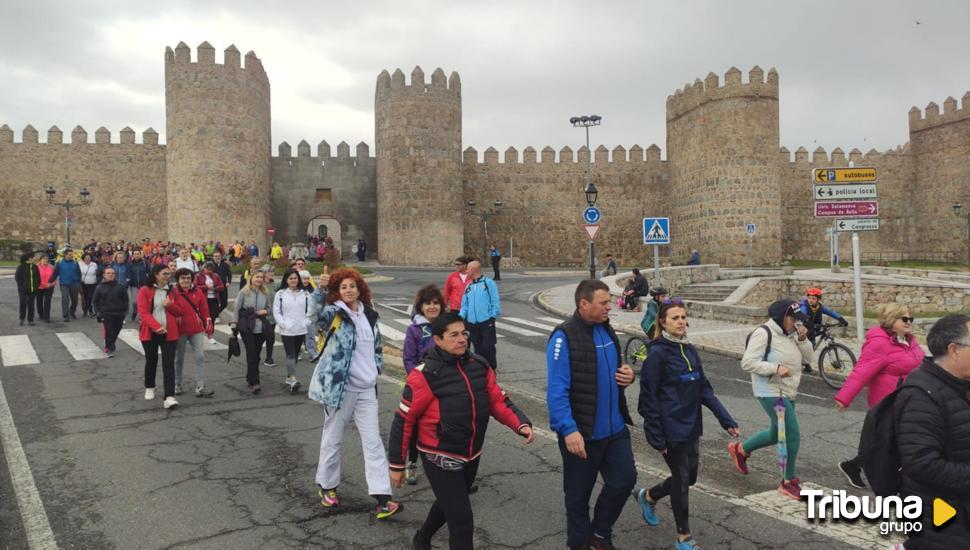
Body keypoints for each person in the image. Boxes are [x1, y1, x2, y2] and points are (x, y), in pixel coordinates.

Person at [389, 312, 534, 550]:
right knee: (462, 522)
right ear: (437, 340)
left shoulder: (479, 365)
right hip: (439, 455)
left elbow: (497, 401)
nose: (462, 339)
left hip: (471, 453)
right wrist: (396, 464)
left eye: (463, 333)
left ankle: (422, 538)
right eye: (453, 335)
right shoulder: (423, 375)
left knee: (450, 504)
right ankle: (423, 539)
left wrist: (520, 423)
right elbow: (404, 420)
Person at [635, 299, 739, 550]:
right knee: (682, 480)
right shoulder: (657, 354)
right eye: (675, 318)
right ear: (662, 322)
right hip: (670, 429)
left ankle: (649, 495)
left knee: (689, 478)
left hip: (692, 426)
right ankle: (684, 538)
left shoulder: (690, 350)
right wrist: (655, 436)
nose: (681, 321)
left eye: (683, 317)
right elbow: (647, 399)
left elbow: (705, 391)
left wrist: (726, 420)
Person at [546, 279, 637, 550]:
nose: (610, 306)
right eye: (603, 303)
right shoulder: (564, 336)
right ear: (583, 304)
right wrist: (568, 429)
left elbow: (610, 371)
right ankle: (579, 544)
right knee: (577, 499)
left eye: (610, 302)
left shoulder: (606, 330)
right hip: (582, 434)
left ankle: (599, 533)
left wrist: (627, 376)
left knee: (624, 481)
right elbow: (557, 390)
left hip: (615, 431)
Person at [308, 268, 402, 520]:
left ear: (360, 288)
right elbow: (314, 317)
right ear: (337, 291)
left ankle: (383, 498)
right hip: (341, 389)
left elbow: (377, 345)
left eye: (353, 286)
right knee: (333, 438)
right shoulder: (334, 312)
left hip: (366, 389)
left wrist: (377, 368)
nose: (349, 290)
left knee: (373, 442)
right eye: (344, 287)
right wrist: (320, 290)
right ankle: (327, 486)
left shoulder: (370, 314)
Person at [894, 314, 970, 549]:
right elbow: (921, 463)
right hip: (940, 520)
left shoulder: (959, 384)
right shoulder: (921, 395)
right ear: (954, 350)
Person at [727, 299, 813, 500]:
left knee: (777, 433)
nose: (798, 324)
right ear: (783, 318)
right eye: (795, 319)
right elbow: (748, 362)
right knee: (791, 433)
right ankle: (787, 481)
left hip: (788, 390)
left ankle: (741, 450)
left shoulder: (792, 335)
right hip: (770, 390)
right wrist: (774, 368)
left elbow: (808, 359)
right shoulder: (763, 333)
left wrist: (803, 339)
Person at [833, 304, 924, 489]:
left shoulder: (910, 341)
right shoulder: (880, 343)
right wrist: (844, 397)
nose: (909, 322)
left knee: (888, 441)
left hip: (908, 400)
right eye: (904, 319)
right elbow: (862, 371)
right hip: (887, 401)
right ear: (892, 320)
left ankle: (854, 466)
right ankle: (892, 479)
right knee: (887, 441)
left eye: (910, 319)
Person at [401, 284, 445, 485]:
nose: (432, 307)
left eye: (436, 303)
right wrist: (420, 382)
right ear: (421, 306)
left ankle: (447, 466)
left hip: (445, 384)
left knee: (445, 426)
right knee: (415, 426)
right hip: (421, 385)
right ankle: (411, 462)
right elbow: (408, 359)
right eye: (428, 303)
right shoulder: (415, 330)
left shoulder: (446, 326)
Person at [137, 265, 181, 409]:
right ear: (156, 275)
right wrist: (156, 327)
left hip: (169, 333)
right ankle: (150, 386)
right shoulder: (145, 290)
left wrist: (170, 306)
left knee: (168, 364)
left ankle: (169, 396)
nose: (168, 276)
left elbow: (179, 311)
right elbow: (143, 313)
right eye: (164, 274)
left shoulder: (173, 291)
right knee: (151, 360)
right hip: (151, 332)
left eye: (169, 274)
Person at [171, 268, 215, 398]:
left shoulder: (198, 291)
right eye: (183, 278)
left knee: (200, 356)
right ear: (178, 280)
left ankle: (200, 386)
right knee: (179, 358)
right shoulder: (172, 292)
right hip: (180, 331)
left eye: (188, 278)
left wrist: (208, 326)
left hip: (196, 329)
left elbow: (204, 310)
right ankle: (177, 385)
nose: (186, 280)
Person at [230, 271, 275, 393]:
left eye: (261, 277)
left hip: (260, 327)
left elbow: (270, 309)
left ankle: (250, 377)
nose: (259, 279)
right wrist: (234, 325)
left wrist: (264, 312)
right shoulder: (243, 292)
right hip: (247, 326)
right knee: (252, 353)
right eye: (257, 277)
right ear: (251, 278)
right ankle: (255, 382)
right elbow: (237, 309)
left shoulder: (265, 292)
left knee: (257, 354)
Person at [459, 260, 501, 370]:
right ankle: (481, 370)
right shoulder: (468, 286)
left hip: (487, 322)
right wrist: (460, 318)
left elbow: (495, 301)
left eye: (468, 268)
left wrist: (492, 317)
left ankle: (492, 369)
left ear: (474, 269)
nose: (466, 271)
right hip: (472, 323)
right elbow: (465, 305)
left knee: (488, 347)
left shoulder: (488, 283)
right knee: (478, 349)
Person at [273, 268, 309, 393]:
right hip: (287, 330)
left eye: (295, 278)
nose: (293, 280)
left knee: (296, 354)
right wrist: (283, 324)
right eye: (291, 278)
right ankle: (293, 379)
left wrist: (306, 322)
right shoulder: (281, 294)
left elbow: (310, 311)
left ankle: (289, 376)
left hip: (301, 329)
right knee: (290, 354)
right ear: (286, 280)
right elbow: (276, 311)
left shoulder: (305, 294)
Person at [799, 287, 848, 373]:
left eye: (813, 298)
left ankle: (806, 364)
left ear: (818, 299)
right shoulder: (804, 306)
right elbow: (802, 316)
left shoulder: (820, 307)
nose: (810, 300)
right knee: (805, 344)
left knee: (812, 344)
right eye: (809, 298)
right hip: (803, 329)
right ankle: (799, 361)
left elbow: (830, 312)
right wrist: (806, 321)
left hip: (812, 329)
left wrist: (840, 318)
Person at [92, 266, 128, 357]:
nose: (111, 275)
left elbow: (126, 300)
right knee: (109, 331)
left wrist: (125, 312)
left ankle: (111, 343)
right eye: (108, 273)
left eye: (112, 273)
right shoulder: (99, 287)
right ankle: (109, 347)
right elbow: (95, 301)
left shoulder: (121, 287)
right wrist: (97, 313)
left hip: (119, 313)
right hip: (106, 313)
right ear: (104, 275)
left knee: (116, 331)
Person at [49, 248, 82, 322]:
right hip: (64, 284)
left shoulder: (75, 263)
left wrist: (79, 282)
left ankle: (72, 311)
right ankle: (65, 315)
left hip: (74, 284)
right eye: (70, 254)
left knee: (75, 300)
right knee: (65, 299)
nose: (72, 256)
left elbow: (79, 273)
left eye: (72, 254)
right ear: (65, 255)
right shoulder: (59, 263)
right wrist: (50, 281)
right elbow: (55, 273)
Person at [194, 262, 226, 333]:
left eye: (210, 270)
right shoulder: (198, 276)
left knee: (213, 317)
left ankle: (210, 333)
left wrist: (214, 288)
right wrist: (206, 287)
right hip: (203, 299)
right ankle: (202, 331)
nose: (209, 271)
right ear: (203, 268)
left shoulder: (216, 276)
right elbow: (195, 286)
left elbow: (222, 287)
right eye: (207, 269)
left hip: (214, 299)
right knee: (203, 317)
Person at [260, 265, 278, 367]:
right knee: (261, 338)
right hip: (262, 315)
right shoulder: (260, 284)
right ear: (264, 273)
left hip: (272, 316)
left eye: (273, 272)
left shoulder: (275, 285)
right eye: (269, 272)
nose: (272, 274)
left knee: (270, 338)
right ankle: (256, 355)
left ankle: (269, 358)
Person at [14, 253, 40, 326]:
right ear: (29, 258)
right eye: (33, 257)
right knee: (23, 303)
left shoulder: (35, 266)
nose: (34, 258)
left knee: (31, 305)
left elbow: (38, 277)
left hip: (33, 289)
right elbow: (17, 277)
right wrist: (22, 285)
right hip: (23, 289)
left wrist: (37, 285)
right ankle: (22, 318)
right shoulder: (21, 267)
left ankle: (30, 320)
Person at [128, 250, 150, 321]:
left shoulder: (145, 263)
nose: (136, 255)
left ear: (141, 254)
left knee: (143, 301)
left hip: (143, 285)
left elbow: (149, 272)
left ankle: (141, 315)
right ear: (133, 255)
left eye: (138, 254)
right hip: (133, 284)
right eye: (135, 254)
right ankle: (135, 310)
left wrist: (148, 281)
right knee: (134, 301)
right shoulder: (130, 263)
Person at [78, 252, 100, 318]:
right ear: (83, 258)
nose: (88, 259)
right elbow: (77, 273)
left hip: (92, 283)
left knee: (90, 297)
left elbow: (97, 273)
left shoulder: (94, 264)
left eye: (89, 257)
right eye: (86, 257)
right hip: (83, 283)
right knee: (84, 297)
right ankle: (85, 310)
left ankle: (90, 310)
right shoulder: (79, 264)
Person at [211, 251, 232, 318]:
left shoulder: (225, 265)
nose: (217, 257)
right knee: (215, 302)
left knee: (224, 303)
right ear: (213, 257)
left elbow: (229, 274)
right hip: (214, 287)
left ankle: (216, 313)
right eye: (216, 256)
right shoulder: (210, 266)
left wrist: (228, 282)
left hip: (223, 286)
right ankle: (216, 315)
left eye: (219, 256)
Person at [35, 254, 55, 322]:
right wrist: (43, 284)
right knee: (39, 301)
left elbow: (54, 277)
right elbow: (35, 278)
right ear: (40, 260)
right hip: (39, 287)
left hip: (49, 287)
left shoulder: (51, 267)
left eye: (46, 259)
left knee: (47, 301)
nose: (45, 260)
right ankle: (41, 314)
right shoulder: (36, 267)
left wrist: (51, 284)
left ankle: (47, 316)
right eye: (43, 259)